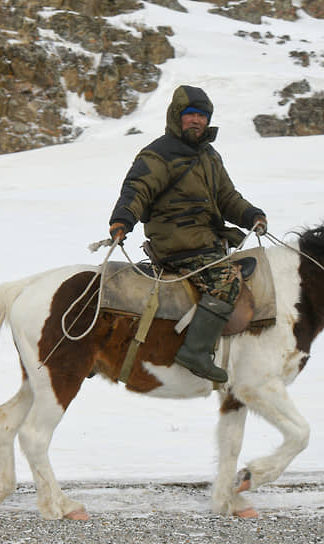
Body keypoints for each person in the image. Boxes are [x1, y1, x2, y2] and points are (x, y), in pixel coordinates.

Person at [108, 85, 267, 383]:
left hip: (205, 242)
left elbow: (227, 197)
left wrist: (251, 215)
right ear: (176, 116)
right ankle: (195, 352)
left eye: (203, 116)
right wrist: (122, 220)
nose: (197, 121)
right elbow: (136, 188)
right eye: (191, 115)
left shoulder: (209, 156)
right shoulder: (159, 154)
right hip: (177, 243)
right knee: (226, 281)